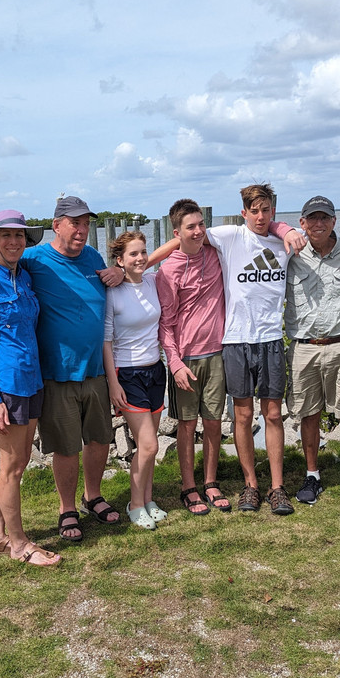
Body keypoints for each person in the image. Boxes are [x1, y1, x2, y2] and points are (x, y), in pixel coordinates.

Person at [0, 196, 123, 542]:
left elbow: (134, 269)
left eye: (86, 224)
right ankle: (65, 510)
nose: (81, 230)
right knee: (63, 447)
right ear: (57, 226)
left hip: (92, 370)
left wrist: (122, 270)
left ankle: (92, 497)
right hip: (52, 375)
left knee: (98, 440)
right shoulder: (34, 259)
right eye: (74, 223)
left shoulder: (91, 257)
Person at [0, 210, 61, 566]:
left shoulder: (25, 275)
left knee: (16, 461)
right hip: (8, 387)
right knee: (13, 468)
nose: (13, 242)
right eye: (6, 236)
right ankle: (19, 544)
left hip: (32, 380)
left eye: (19, 236)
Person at [203, 183, 304, 515]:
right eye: (254, 211)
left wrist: (286, 229)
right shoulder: (231, 236)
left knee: (273, 414)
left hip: (271, 339)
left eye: (266, 210)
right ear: (244, 212)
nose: (261, 217)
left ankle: (277, 487)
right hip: (236, 340)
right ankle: (251, 486)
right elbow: (186, 237)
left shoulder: (283, 241)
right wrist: (139, 268)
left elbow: (303, 237)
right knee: (243, 415)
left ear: (273, 210)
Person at [275, 196, 340, 510]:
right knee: (307, 414)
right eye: (311, 219)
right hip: (302, 348)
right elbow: (262, 232)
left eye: (324, 218)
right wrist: (284, 232)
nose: (318, 224)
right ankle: (311, 474)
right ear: (301, 223)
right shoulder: (289, 251)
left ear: (334, 221)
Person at [155, 199, 230, 515]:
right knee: (186, 426)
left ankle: (211, 482)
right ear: (176, 233)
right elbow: (165, 322)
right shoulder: (168, 270)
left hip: (218, 354)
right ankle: (189, 487)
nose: (199, 231)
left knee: (213, 423)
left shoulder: (217, 254)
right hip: (185, 359)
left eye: (201, 224)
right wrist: (174, 363)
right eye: (191, 227)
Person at [103, 231, 168, 529]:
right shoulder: (112, 292)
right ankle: (135, 503)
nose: (140, 258)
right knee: (150, 445)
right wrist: (112, 383)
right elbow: (106, 341)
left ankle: (149, 499)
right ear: (119, 260)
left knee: (147, 447)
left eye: (143, 252)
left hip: (156, 371)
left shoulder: (153, 281)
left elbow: (176, 243)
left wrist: (139, 264)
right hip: (127, 375)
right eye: (133, 254)